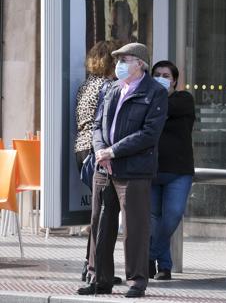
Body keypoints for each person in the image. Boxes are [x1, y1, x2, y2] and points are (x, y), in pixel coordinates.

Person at [77, 43, 168, 298]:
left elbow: (149, 134)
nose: (119, 64)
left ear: (140, 63)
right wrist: (100, 151)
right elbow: (96, 125)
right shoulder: (112, 88)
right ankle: (98, 278)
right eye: (118, 59)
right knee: (100, 223)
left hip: (134, 170)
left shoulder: (155, 92)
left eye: (125, 59)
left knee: (134, 228)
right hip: (104, 167)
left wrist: (113, 151)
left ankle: (137, 281)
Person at [74, 40, 121, 283]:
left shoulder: (85, 86)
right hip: (97, 153)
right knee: (105, 213)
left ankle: (90, 265)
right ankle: (95, 267)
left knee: (99, 212)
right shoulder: (110, 86)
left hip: (81, 151)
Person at [149, 61, 196, 280]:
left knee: (172, 216)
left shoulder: (183, 99)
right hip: (151, 170)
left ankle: (149, 255)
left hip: (178, 171)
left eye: (166, 75)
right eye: (157, 74)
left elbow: (165, 108)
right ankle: (164, 267)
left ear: (174, 80)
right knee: (155, 219)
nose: (161, 77)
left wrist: (151, 101)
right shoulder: (148, 99)